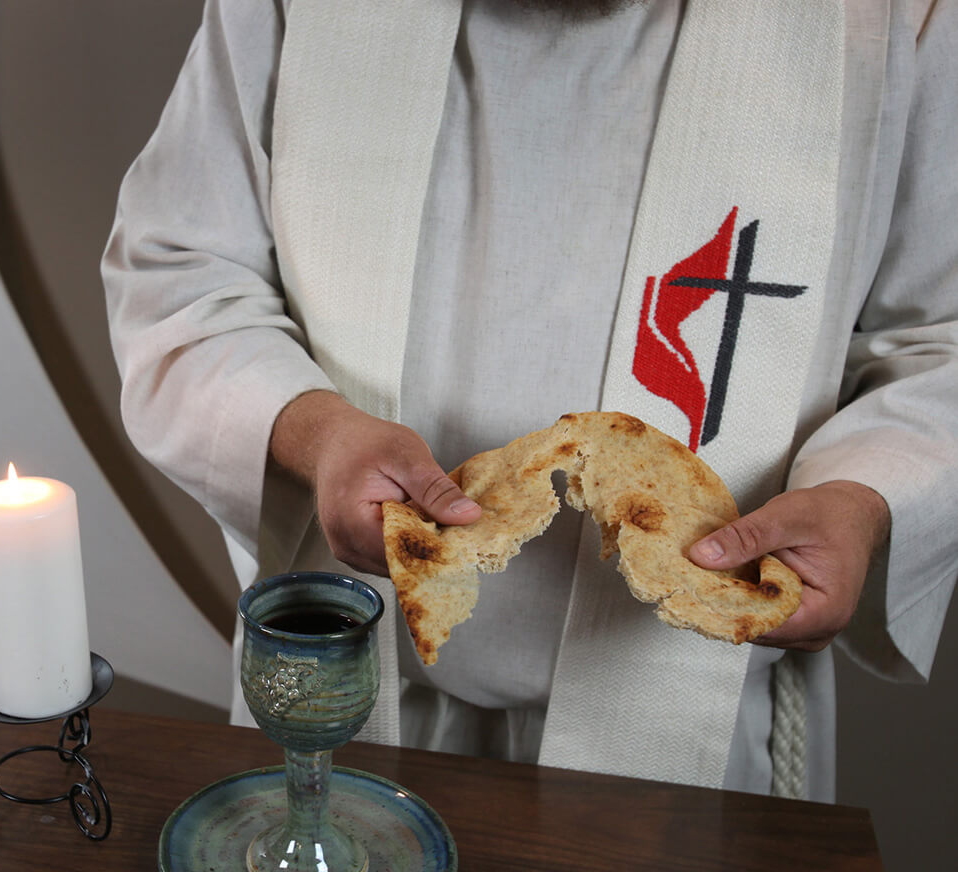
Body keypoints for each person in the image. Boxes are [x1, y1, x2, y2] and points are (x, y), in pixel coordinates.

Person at [102, 0, 958, 800]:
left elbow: (940, 340)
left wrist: (864, 499)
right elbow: (179, 276)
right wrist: (318, 436)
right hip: (349, 689)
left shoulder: (894, 16)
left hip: (693, 727)